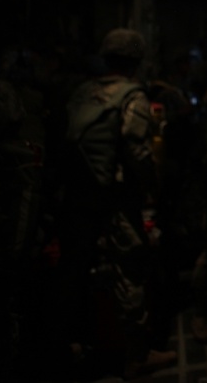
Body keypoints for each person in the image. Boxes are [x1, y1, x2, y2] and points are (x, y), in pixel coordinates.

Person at [55, 28, 175, 379]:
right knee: (130, 270)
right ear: (136, 61)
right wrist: (151, 188)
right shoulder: (132, 95)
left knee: (72, 271)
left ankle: (63, 347)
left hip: (76, 195)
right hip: (114, 200)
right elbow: (136, 149)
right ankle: (137, 355)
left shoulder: (80, 92)